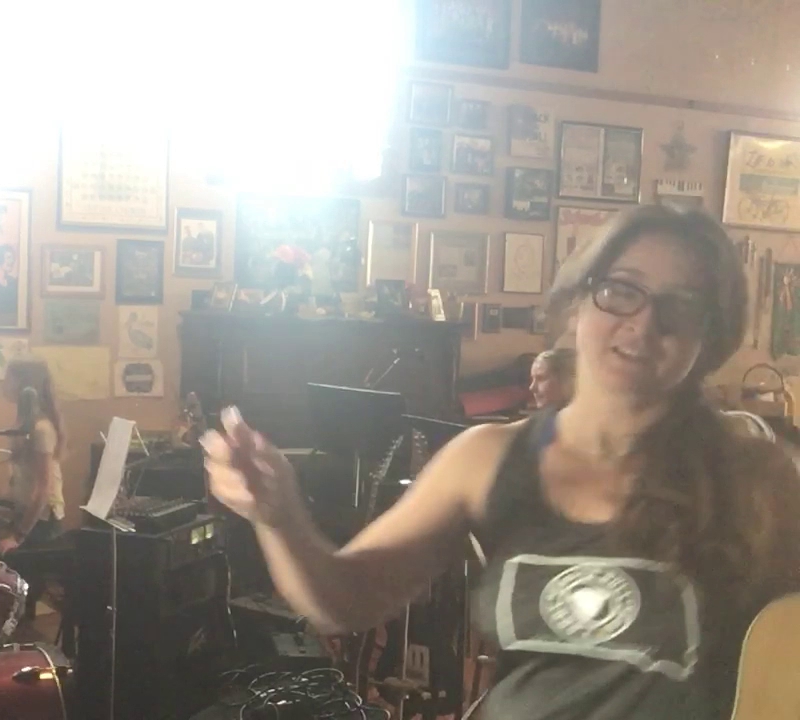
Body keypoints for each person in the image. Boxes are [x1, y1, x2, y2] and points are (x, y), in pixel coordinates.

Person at [204, 206, 800, 719]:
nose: (644, 323)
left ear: (709, 337)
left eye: (682, 306)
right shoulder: (486, 458)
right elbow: (344, 600)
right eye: (622, 290)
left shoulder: (754, 478)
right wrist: (280, 516)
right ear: (577, 304)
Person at [0, 356, 66, 554]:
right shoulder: (24, 423)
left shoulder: (41, 429)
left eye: (9, 378)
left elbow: (43, 487)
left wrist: (18, 536)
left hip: (41, 521)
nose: (4, 384)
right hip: (25, 513)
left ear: (24, 384)